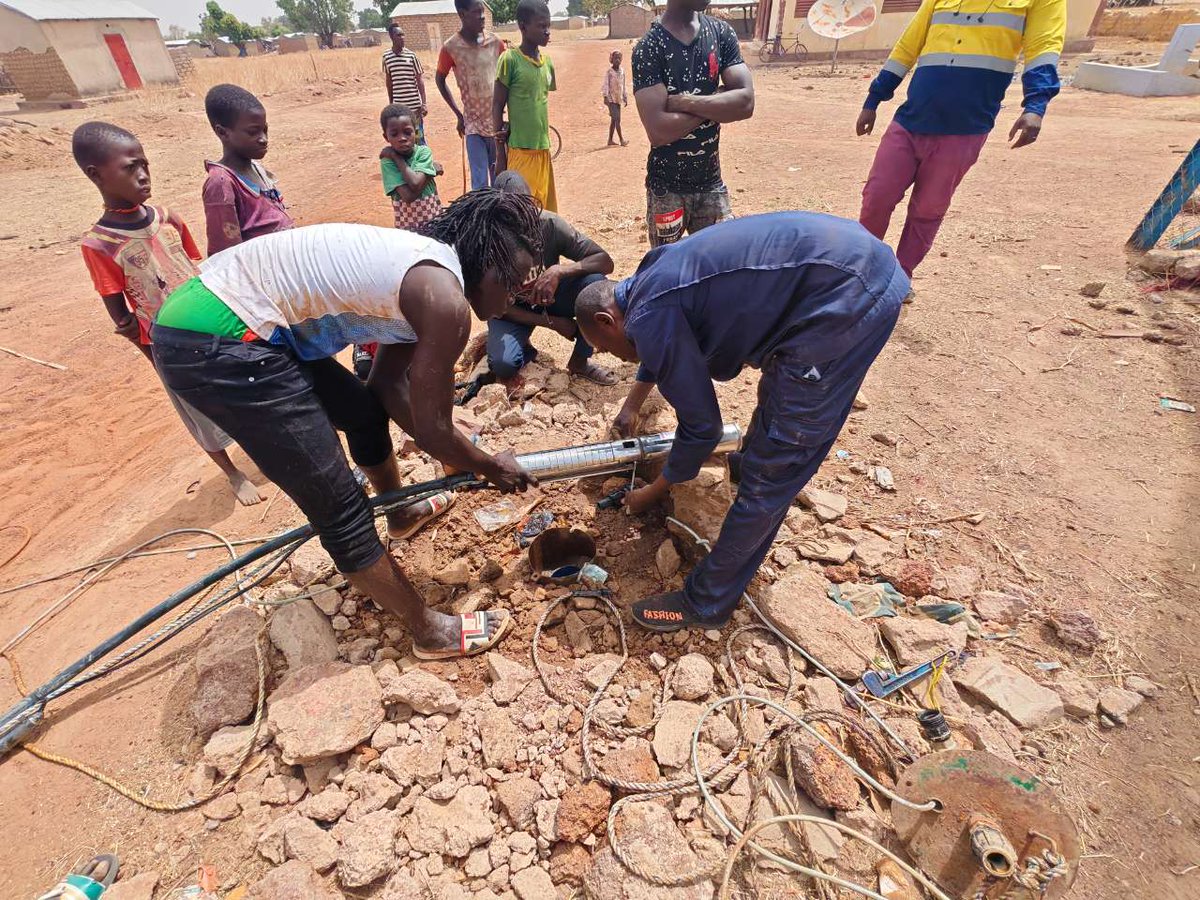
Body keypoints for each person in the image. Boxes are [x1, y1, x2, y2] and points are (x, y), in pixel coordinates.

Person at [151, 194, 544, 659]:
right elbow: (435, 431)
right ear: (488, 266)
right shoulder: (445, 300)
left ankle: (399, 515)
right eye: (513, 284)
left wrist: (463, 454)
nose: (513, 297)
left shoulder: (427, 271)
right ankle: (428, 630)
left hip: (238, 321)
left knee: (362, 412)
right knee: (340, 508)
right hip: (220, 339)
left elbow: (386, 387)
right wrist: (489, 465)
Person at [575, 213, 908, 632]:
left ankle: (707, 602)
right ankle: (747, 469)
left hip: (847, 297)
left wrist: (656, 490)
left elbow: (703, 427)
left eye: (604, 348)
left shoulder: (646, 317)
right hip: (843, 263)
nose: (617, 358)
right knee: (780, 389)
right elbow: (657, 348)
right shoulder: (648, 278)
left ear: (607, 320)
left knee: (780, 460)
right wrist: (632, 404)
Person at [73, 121, 265, 507]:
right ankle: (231, 471)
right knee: (196, 408)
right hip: (167, 343)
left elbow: (197, 269)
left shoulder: (167, 218)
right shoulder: (100, 245)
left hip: (214, 324)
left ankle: (263, 448)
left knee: (243, 385)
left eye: (144, 164)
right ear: (96, 174)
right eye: (130, 168)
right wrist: (153, 356)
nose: (143, 175)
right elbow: (124, 319)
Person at [855, 0, 1066, 284]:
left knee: (928, 209)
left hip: (965, 129)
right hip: (911, 119)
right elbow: (907, 47)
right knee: (877, 196)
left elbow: (1043, 48)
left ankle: (900, 278)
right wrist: (874, 98)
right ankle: (859, 271)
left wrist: (1036, 105)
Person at [631, 0, 753, 247]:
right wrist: (717, 102)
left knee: (720, 267)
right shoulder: (650, 48)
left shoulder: (721, 34)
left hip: (711, 185)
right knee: (668, 272)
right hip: (666, 190)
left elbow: (745, 103)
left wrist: (687, 102)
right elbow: (659, 130)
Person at [487, 171, 616, 385]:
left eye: (526, 209)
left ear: (532, 203)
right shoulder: (486, 241)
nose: (520, 219)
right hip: (512, 310)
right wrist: (551, 323)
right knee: (504, 364)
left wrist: (559, 271)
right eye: (510, 214)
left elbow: (604, 261)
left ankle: (579, 362)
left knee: (597, 286)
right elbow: (493, 307)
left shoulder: (549, 223)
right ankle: (522, 347)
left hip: (552, 297)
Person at [202, 84, 294, 257]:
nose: (263, 139)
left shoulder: (256, 170)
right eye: (253, 132)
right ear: (222, 133)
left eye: (265, 130)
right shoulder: (221, 184)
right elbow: (225, 254)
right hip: (260, 275)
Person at [494, 0, 557, 212]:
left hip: (543, 149)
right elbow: (497, 104)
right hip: (521, 150)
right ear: (522, 26)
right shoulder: (509, 59)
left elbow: (539, 101)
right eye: (541, 26)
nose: (547, 31)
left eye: (548, 25)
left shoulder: (547, 62)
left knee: (544, 212)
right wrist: (500, 153)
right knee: (523, 213)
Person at [436, 0, 505, 189]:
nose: (482, 17)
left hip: (497, 123)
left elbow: (507, 78)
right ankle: (481, 218)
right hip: (472, 124)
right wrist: (458, 114)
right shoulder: (450, 48)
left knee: (499, 177)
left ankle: (498, 218)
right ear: (462, 14)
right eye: (477, 12)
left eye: (483, 12)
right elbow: (439, 79)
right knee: (480, 181)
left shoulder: (496, 43)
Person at [380, 103, 442, 231]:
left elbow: (415, 184)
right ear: (386, 137)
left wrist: (395, 157)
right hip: (407, 227)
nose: (402, 138)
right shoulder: (388, 162)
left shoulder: (423, 152)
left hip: (434, 220)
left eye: (407, 132)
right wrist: (431, 172)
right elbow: (409, 195)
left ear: (416, 132)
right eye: (394, 134)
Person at [383, 23, 429, 143]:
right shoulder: (387, 57)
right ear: (391, 37)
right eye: (398, 35)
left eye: (403, 35)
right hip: (399, 110)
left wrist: (423, 103)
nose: (402, 37)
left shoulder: (412, 56)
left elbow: (420, 81)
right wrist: (391, 103)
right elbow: (389, 82)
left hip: (415, 108)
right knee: (404, 140)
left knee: (419, 138)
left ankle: (423, 161)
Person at [603, 49, 628, 147]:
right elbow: (606, 85)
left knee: (614, 120)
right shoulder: (609, 72)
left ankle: (610, 140)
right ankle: (622, 140)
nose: (617, 60)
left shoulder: (622, 71)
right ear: (611, 60)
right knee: (617, 119)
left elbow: (623, 85)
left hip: (618, 98)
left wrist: (625, 96)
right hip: (611, 99)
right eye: (615, 58)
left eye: (619, 58)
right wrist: (605, 97)